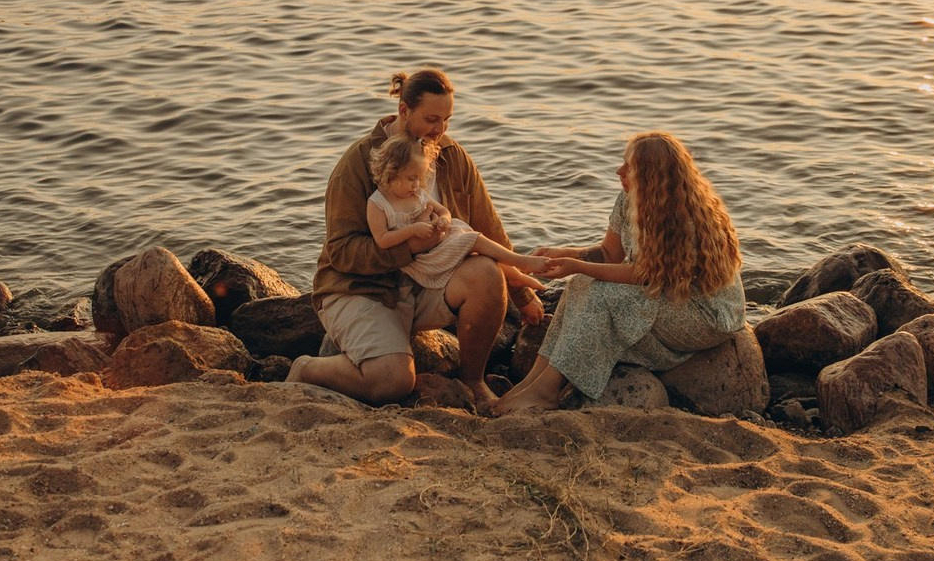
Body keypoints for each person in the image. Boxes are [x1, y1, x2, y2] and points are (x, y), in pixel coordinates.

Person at [293, 69, 545, 408]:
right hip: (362, 288)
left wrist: (522, 295)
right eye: (431, 119)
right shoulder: (359, 162)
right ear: (404, 110)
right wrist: (410, 246)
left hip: (427, 281)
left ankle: (472, 382)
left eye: (447, 119)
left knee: (486, 273)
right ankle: (306, 368)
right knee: (392, 381)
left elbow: (488, 227)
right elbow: (341, 251)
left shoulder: (451, 155)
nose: (441, 130)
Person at [492, 131, 746, 415]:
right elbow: (608, 253)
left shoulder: (679, 216)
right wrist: (565, 253)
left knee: (603, 295)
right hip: (667, 294)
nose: (619, 170)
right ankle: (532, 383)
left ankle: (548, 391)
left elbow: (646, 276)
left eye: (629, 166)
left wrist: (579, 266)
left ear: (651, 176)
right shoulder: (627, 199)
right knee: (580, 284)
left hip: (705, 312)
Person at [366, 133, 549, 288]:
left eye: (419, 178)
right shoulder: (378, 203)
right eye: (411, 179)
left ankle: (515, 274)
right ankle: (519, 262)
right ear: (391, 173)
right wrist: (413, 230)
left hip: (440, 241)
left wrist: (444, 220)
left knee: (473, 245)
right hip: (423, 259)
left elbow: (442, 210)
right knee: (473, 241)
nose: (416, 184)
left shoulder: (417, 194)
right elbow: (382, 239)